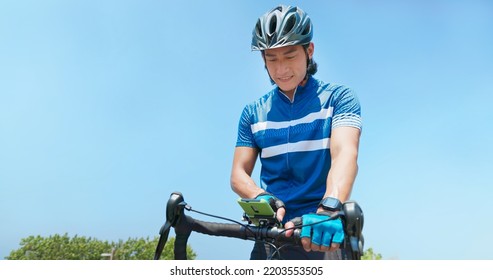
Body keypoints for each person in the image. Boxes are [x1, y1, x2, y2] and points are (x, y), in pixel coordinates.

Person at [230, 5, 362, 260]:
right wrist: (262, 197)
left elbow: (345, 153)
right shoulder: (252, 112)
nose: (281, 69)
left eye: (290, 56)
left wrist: (329, 207)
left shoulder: (339, 98)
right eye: (271, 59)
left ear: (309, 51)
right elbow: (238, 174)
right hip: (271, 235)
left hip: (320, 232)